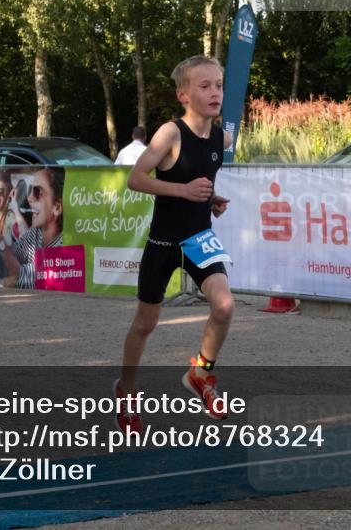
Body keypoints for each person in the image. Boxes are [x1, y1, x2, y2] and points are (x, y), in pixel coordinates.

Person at [117, 55, 234, 434]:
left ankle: (200, 373)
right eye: (205, 86)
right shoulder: (170, 133)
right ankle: (126, 389)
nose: (215, 92)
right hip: (164, 240)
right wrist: (183, 190)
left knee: (225, 305)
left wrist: (210, 197)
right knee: (146, 323)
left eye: (218, 85)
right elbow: (136, 178)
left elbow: (201, 178)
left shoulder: (223, 137)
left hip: (199, 238)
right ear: (184, 94)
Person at [0, 167, 65, 290]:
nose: (29, 198)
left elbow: (16, 277)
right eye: (30, 191)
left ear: (56, 207)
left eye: (37, 192)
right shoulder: (36, 233)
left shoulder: (64, 246)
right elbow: (13, 253)